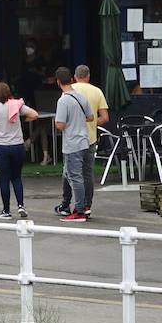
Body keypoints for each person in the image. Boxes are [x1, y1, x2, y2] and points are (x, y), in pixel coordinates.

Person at [0, 81, 38, 219]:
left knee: (4, 179)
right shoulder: (16, 105)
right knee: (16, 177)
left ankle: (6, 210)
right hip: (17, 145)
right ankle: (21, 205)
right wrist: (23, 119)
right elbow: (34, 114)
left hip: (1, 146)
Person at [66, 64, 110, 218]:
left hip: (73, 139)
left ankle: (67, 203)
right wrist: (92, 123)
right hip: (90, 138)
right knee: (87, 173)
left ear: (75, 76)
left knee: (71, 173)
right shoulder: (97, 91)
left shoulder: (70, 90)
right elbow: (105, 118)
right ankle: (87, 204)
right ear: (88, 76)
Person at [53, 66, 95, 222]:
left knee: (74, 177)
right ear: (71, 79)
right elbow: (91, 117)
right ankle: (85, 206)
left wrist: (63, 121)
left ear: (58, 82)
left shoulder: (63, 100)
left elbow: (60, 124)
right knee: (85, 175)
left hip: (72, 143)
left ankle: (79, 210)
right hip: (84, 140)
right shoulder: (81, 97)